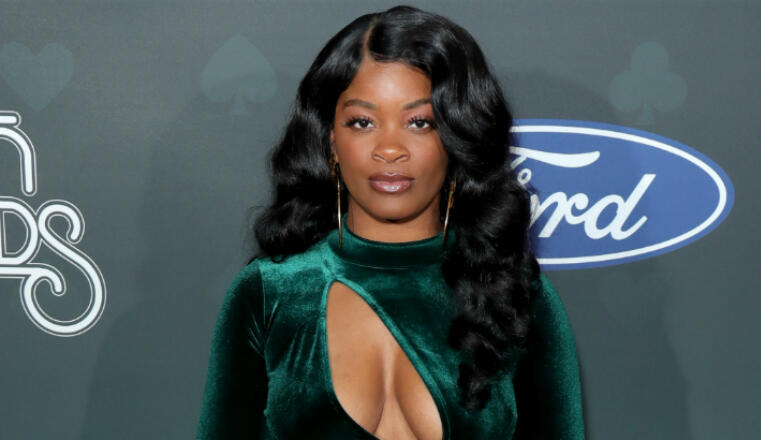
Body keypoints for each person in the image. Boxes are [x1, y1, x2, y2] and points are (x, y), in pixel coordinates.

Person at [196, 5, 584, 439]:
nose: (390, 149)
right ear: (330, 139)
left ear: (456, 136)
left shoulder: (517, 297)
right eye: (363, 122)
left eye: (419, 122)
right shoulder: (269, 294)